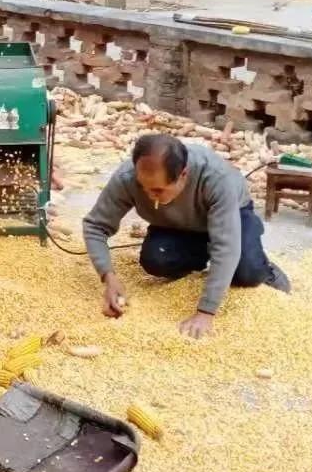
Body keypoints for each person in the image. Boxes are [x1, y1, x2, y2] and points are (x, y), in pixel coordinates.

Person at [82, 133, 290, 339]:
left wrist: (205, 312)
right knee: (156, 260)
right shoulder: (127, 178)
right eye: (142, 187)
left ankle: (264, 268)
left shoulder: (216, 178)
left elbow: (225, 246)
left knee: (247, 272)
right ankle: (207, 255)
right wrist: (108, 276)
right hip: (178, 223)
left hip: (231, 214)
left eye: (157, 190)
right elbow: (95, 226)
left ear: (183, 175)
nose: (148, 195)